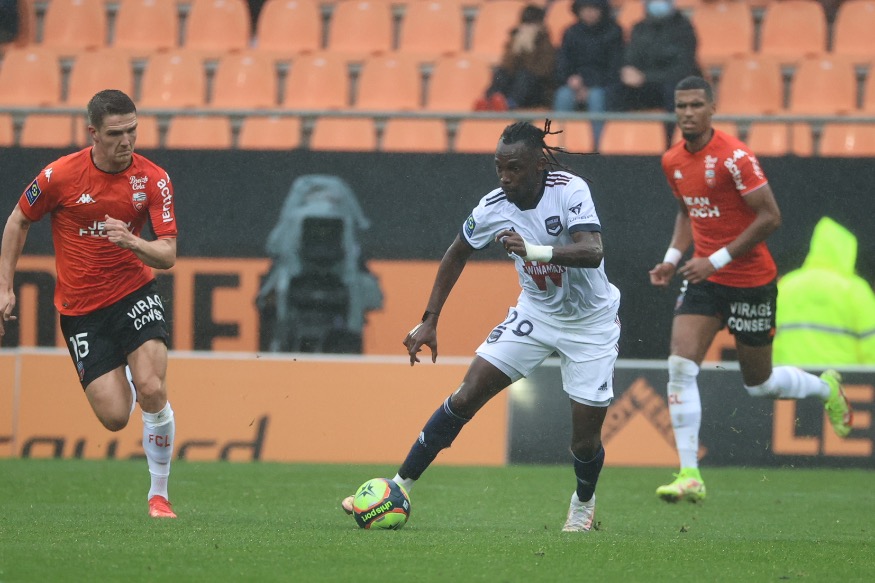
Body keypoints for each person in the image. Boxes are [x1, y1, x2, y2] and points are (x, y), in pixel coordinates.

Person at [341, 121, 622, 532]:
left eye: (515, 169)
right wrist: (430, 321)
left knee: (583, 439)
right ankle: (399, 486)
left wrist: (535, 250)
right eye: (499, 168)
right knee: (465, 395)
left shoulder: (569, 189)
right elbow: (456, 254)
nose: (505, 178)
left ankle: (583, 502)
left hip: (591, 324)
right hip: (536, 314)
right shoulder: (493, 206)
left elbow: (593, 251)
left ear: (538, 164)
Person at [648, 76, 853, 503]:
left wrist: (716, 259)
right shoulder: (671, 161)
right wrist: (672, 258)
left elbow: (771, 217)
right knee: (680, 366)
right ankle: (690, 473)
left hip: (750, 282)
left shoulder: (735, 157)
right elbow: (687, 212)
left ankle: (826, 388)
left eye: (695, 105)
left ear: (711, 108)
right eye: (680, 105)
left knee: (758, 384)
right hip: (706, 281)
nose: (687, 112)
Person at [0, 89, 179, 518]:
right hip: (80, 310)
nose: (127, 141)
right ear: (93, 133)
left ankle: (159, 496)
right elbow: (19, 219)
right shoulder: (60, 176)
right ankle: (134, 375)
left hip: (133, 293)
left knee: (153, 387)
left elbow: (168, 254)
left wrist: (132, 241)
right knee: (116, 416)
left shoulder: (153, 179)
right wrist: (5, 287)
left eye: (133, 130)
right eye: (116, 133)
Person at [773, 216, 875, 366]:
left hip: (793, 381)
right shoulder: (855, 290)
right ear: (848, 252)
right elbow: (871, 344)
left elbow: (769, 340)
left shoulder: (786, 286)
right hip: (841, 384)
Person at [611, 0, 699, 145]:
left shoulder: (684, 29)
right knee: (614, 91)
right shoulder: (639, 28)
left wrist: (645, 77)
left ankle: (670, 144)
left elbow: (682, 69)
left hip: (671, 85)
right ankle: (616, 144)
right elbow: (631, 59)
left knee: (674, 93)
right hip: (645, 87)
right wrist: (628, 71)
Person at [552, 0, 624, 148]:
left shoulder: (614, 32)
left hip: (603, 85)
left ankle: (597, 148)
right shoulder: (570, 32)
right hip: (574, 84)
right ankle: (559, 146)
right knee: (563, 95)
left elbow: (613, 68)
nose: (589, 13)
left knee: (596, 97)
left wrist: (587, 84)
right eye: (585, 9)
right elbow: (563, 63)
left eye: (594, 9)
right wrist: (569, 78)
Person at [474, 4, 556, 111]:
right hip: (514, 85)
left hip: (537, 91)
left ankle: (510, 103)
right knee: (501, 72)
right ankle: (490, 101)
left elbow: (540, 71)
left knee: (525, 75)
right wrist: (515, 49)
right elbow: (507, 66)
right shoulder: (515, 39)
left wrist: (528, 50)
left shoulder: (545, 44)